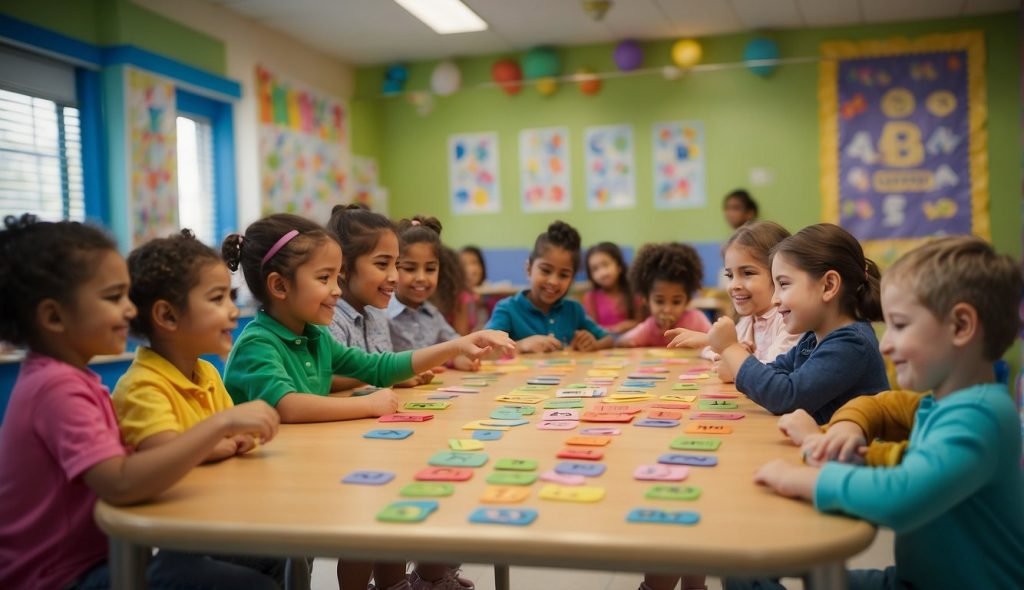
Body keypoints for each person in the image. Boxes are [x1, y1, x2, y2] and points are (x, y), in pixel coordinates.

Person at [0, 215, 280, 590]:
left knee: (269, 553)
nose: (131, 310)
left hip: (107, 554)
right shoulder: (56, 388)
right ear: (53, 316)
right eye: (114, 297)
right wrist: (222, 424)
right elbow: (119, 483)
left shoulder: (71, 380)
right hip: (61, 577)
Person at [742, 236, 1024, 589]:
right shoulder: (944, 400)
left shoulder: (980, 417)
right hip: (917, 579)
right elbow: (881, 405)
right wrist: (848, 427)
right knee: (748, 568)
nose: (886, 344)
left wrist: (797, 479)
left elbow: (900, 497)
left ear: (961, 326)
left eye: (901, 325)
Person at [486, 221, 612, 353]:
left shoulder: (574, 310)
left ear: (572, 280)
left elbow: (608, 338)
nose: (553, 281)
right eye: (546, 271)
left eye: (563, 275)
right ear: (528, 269)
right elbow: (483, 349)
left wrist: (593, 345)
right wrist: (521, 345)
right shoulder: (507, 310)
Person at [617, 242, 710, 347]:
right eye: (659, 301)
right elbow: (622, 342)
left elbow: (717, 342)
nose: (667, 309)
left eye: (676, 302)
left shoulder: (696, 320)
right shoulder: (650, 327)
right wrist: (629, 343)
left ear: (687, 301)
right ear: (646, 300)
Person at [582, 242, 644, 335]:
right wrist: (614, 330)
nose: (602, 273)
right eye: (595, 269)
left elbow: (642, 323)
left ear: (619, 266)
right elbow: (592, 328)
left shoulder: (634, 293)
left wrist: (623, 327)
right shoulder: (591, 297)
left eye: (606, 265)